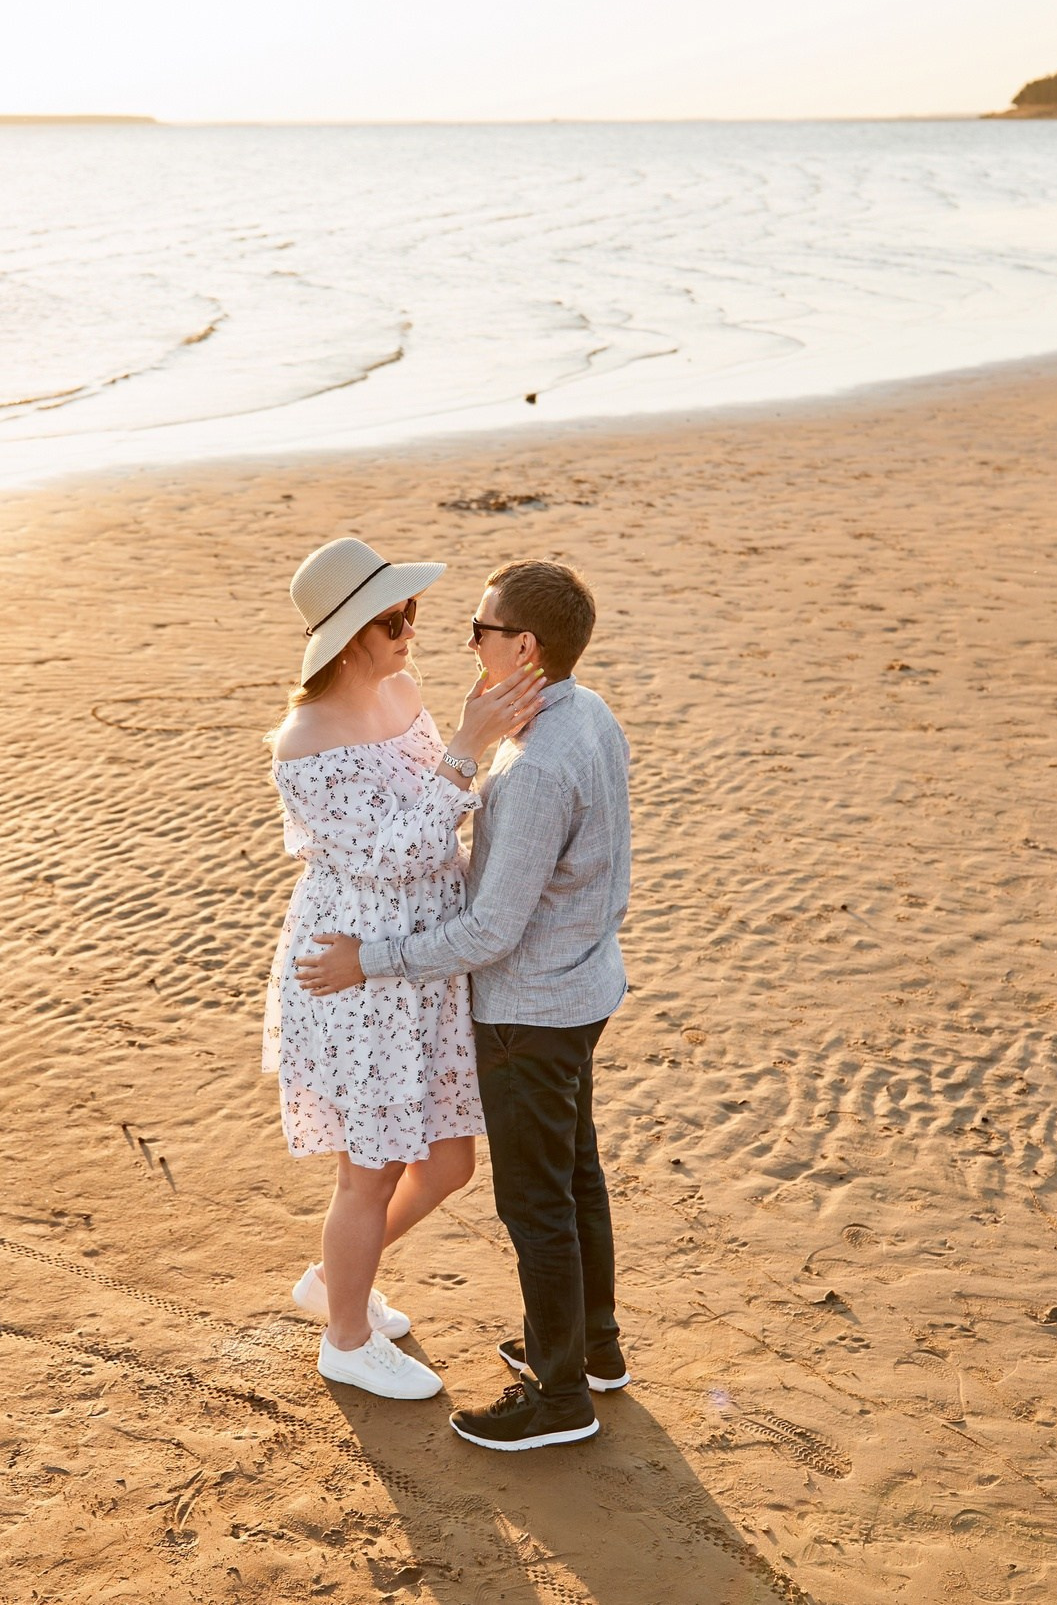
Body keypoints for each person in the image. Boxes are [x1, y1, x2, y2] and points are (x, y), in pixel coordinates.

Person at [296, 559, 630, 1451]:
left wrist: (375, 959)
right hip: (583, 982)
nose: (449, 639)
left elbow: (486, 932)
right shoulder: (587, 712)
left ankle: (562, 1395)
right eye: (401, 617)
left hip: (528, 1006)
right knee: (574, 1178)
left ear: (524, 646)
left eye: (473, 629)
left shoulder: (528, 769)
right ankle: (591, 1352)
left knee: (538, 1204)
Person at [264, 537, 546, 1400]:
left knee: (451, 1159)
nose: (411, 629)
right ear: (347, 634)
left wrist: (493, 733)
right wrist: (468, 740)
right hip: (356, 972)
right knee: (371, 1167)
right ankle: (344, 1336)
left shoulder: (407, 691)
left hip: (421, 960)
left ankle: (333, 1279)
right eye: (393, 619)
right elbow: (399, 850)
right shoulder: (302, 742)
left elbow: (443, 816)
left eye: (413, 612)